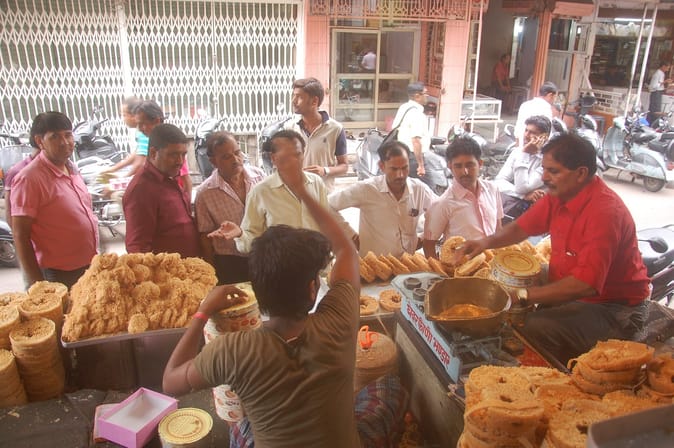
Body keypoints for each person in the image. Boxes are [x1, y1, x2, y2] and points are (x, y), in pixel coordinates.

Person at [163, 144, 407, 447]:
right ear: (312, 289)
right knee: (389, 387)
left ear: (258, 289)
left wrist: (203, 312)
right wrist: (301, 190)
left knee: (240, 423)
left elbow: (170, 381)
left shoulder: (232, 351)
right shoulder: (339, 321)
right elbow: (346, 249)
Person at [455, 133, 650, 364]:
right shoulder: (560, 195)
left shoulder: (605, 213)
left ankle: (553, 373)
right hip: (573, 281)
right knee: (510, 279)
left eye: (553, 171)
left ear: (581, 173)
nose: (544, 177)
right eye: (544, 169)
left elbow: (584, 285)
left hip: (615, 308)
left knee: (532, 326)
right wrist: (484, 243)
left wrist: (522, 296)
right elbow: (521, 228)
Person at [11, 112, 98, 288]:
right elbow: (20, 235)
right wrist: (38, 285)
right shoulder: (29, 179)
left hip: (89, 266)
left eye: (68, 135)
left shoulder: (72, 168)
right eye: (55, 137)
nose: (65, 142)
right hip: (58, 274)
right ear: (40, 141)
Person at [211, 130, 329, 254]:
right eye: (286, 157)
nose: (294, 161)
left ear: (304, 153)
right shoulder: (260, 193)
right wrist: (241, 234)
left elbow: (326, 226)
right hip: (282, 265)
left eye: (297, 154)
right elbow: (250, 242)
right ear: (273, 158)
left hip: (318, 263)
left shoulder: (316, 183)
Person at [328, 140, 435, 257]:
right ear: (382, 166)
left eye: (404, 168)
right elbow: (328, 205)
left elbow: (439, 211)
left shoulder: (419, 189)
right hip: (373, 265)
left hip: (406, 264)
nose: (400, 175)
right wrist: (351, 236)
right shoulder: (367, 189)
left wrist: (425, 237)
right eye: (394, 169)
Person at [195, 131, 265, 284]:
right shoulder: (205, 193)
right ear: (213, 161)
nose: (235, 160)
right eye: (226, 157)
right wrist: (211, 272)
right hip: (231, 262)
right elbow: (205, 237)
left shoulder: (259, 177)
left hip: (262, 256)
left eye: (237, 153)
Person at [123, 123, 200, 257]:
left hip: (187, 266)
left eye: (183, 155)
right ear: (153, 153)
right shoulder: (141, 190)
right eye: (173, 155)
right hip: (167, 269)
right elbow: (137, 248)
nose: (180, 161)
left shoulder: (170, 177)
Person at [423, 137, 502, 258]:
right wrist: (438, 269)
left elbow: (498, 229)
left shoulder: (492, 190)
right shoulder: (443, 203)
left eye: (470, 165)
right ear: (450, 166)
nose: (465, 171)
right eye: (458, 166)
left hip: (492, 263)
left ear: (480, 163)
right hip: (462, 267)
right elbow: (428, 245)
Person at [286, 77, 348, 192]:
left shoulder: (335, 129)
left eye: (299, 97)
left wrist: (325, 170)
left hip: (323, 195)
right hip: (296, 194)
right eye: (293, 96)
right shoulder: (290, 128)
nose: (293, 101)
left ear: (314, 101)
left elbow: (344, 166)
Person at [495, 115, 551, 222]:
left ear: (544, 137)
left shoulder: (547, 159)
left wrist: (525, 154)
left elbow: (522, 187)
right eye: (526, 130)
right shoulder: (517, 152)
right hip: (513, 203)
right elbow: (498, 181)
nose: (526, 135)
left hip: (535, 210)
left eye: (533, 133)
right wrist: (523, 196)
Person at [134, 100, 193, 199]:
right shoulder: (150, 142)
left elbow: (186, 180)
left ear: (156, 121)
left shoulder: (171, 144)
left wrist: (186, 204)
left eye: (142, 124)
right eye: (138, 124)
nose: (139, 128)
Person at [392, 82, 430, 182]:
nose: (427, 96)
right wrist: (421, 165)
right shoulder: (416, 114)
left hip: (402, 153)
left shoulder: (404, 107)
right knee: (425, 186)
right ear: (417, 96)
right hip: (413, 157)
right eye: (425, 93)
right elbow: (416, 141)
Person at [102, 97, 150, 177]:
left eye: (124, 115)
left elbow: (140, 163)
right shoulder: (140, 132)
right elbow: (136, 154)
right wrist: (113, 169)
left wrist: (123, 178)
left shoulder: (143, 133)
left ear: (134, 116)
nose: (123, 119)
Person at [514, 81, 557, 145]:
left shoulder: (525, 104)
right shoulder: (546, 108)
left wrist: (518, 144)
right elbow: (547, 132)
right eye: (555, 97)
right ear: (550, 95)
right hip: (534, 145)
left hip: (521, 142)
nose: (555, 100)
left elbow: (518, 127)